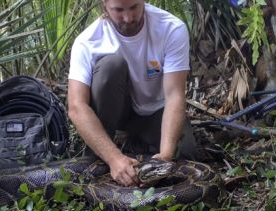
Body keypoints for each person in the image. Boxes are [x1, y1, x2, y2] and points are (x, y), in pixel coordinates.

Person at [67, 0, 198, 187]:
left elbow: (175, 95)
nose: (128, 18)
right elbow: (76, 106)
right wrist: (114, 158)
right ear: (104, 5)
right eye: (118, 10)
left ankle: (136, 146)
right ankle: (102, 153)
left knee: (185, 153)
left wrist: (165, 156)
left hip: (155, 111)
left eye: (134, 7)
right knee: (111, 67)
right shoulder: (87, 41)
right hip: (118, 114)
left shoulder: (171, 28)